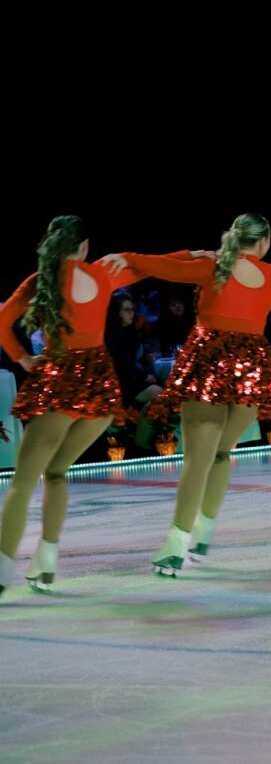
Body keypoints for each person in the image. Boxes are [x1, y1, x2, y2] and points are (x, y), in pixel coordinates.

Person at [109, 214, 271, 576]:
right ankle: (203, 531)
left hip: (210, 360)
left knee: (197, 459)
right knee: (222, 453)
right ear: (264, 242)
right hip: (251, 367)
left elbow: (157, 265)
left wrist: (133, 257)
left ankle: (177, 542)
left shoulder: (213, 265)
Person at [0, 216, 144, 595]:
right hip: (100, 390)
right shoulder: (102, 276)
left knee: (23, 482)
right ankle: (45, 562)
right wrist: (193, 253)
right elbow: (146, 265)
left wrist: (21, 358)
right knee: (58, 472)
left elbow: (2, 320)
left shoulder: (40, 281)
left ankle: (1, 572)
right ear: (83, 246)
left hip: (60, 383)